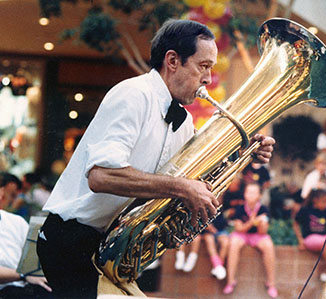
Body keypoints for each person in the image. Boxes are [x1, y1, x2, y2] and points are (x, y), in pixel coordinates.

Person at [36, 19, 275, 299]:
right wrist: (182, 188)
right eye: (203, 66)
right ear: (172, 60)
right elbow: (101, 175)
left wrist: (244, 153)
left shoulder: (183, 120)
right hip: (70, 242)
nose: (209, 79)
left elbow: (200, 173)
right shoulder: (132, 95)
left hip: (109, 247)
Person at [0, 173, 52, 298]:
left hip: (26, 287)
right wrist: (24, 275)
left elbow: (33, 261)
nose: (11, 200)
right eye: (11, 195)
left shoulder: (16, 221)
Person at [223, 183, 278, 298]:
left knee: (268, 245)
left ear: (259, 196)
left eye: (254, 192)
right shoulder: (239, 208)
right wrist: (251, 222)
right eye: (248, 192)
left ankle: (271, 283)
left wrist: (261, 223)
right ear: (244, 194)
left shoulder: (263, 209)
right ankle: (230, 281)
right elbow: (239, 228)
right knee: (233, 244)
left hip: (257, 235)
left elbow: (263, 232)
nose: (251, 195)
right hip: (242, 234)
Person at [293, 189, 326, 283]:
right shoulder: (305, 210)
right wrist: (300, 239)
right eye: (324, 201)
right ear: (315, 200)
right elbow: (296, 224)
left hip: (323, 236)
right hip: (310, 237)